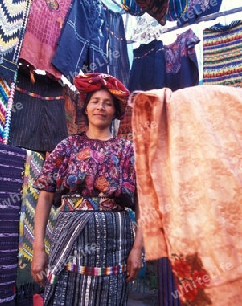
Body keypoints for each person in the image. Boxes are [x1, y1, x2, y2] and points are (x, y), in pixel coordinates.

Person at [31, 72, 143, 305]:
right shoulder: (68, 147)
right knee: (64, 293)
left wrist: (137, 250)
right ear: (86, 108)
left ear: (115, 111)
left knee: (109, 298)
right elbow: (45, 197)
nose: (100, 107)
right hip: (70, 236)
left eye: (107, 103)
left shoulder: (127, 150)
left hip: (116, 241)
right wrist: (38, 248)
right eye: (95, 102)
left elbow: (144, 204)